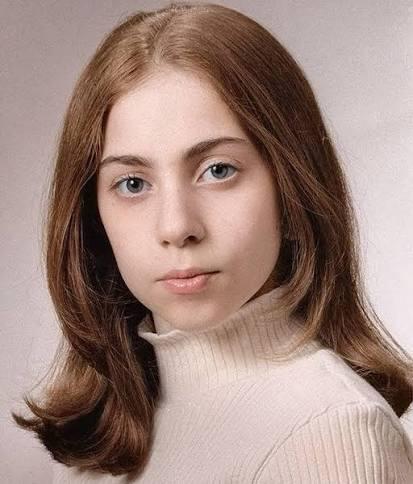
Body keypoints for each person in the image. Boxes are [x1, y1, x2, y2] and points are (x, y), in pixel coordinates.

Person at [12, 2, 413, 482]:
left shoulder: (331, 435)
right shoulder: (106, 429)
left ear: (293, 190)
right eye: (133, 183)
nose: (176, 226)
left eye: (218, 170)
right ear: (92, 217)